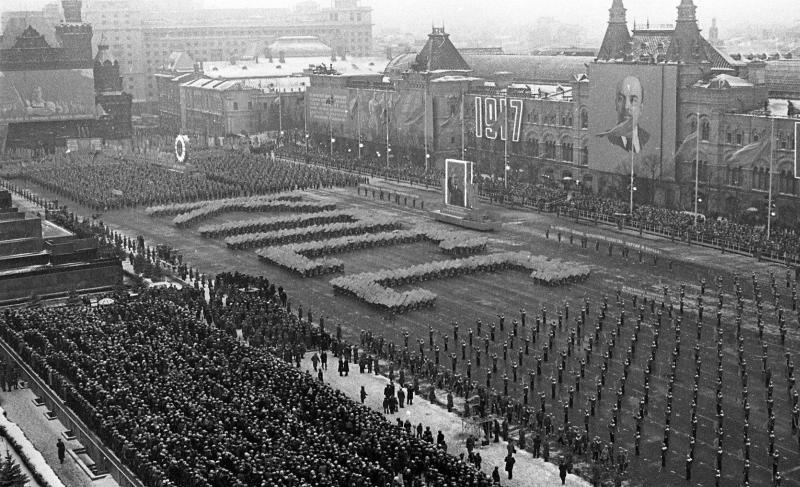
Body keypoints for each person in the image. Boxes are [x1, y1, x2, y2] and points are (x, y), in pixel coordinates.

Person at [598, 76, 650, 153]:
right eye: (621, 99)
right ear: (616, 104)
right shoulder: (606, 140)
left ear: (641, 108)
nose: (626, 106)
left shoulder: (647, 138)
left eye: (633, 100)